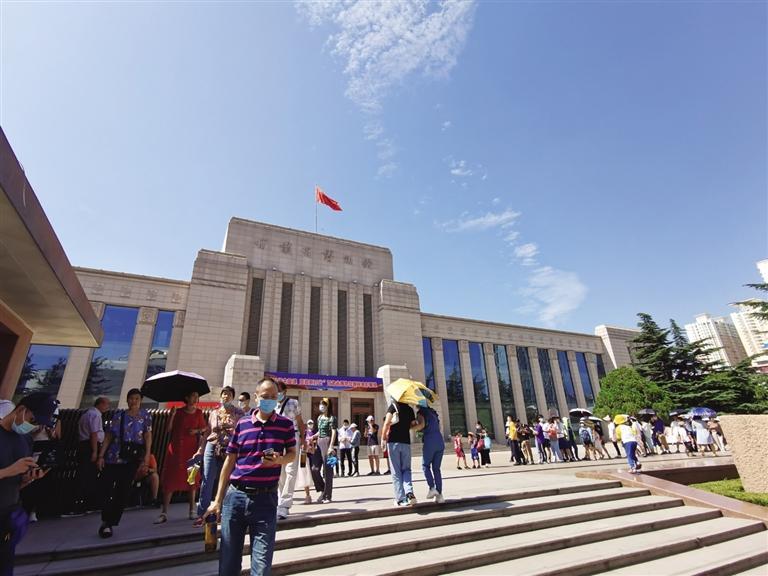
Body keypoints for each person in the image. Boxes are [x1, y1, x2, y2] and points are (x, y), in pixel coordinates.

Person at [203, 377, 296, 576]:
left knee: (261, 567)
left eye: (273, 396)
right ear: (256, 397)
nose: (269, 400)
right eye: (265, 396)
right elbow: (229, 461)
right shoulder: (242, 423)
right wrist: (217, 500)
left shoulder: (285, 425)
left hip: (266, 500)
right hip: (235, 498)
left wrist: (279, 460)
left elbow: (292, 454)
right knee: (228, 564)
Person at [0, 393, 57, 576]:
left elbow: (14, 484)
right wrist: (9, 470)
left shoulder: (25, 441)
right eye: (33, 420)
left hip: (7, 517)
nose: (34, 426)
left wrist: (27, 479)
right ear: (21, 410)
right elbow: (10, 472)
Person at [97, 388, 152, 538]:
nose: (134, 401)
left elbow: (147, 435)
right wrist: (101, 455)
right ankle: (106, 519)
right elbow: (109, 436)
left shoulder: (145, 416)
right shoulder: (119, 415)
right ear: (127, 400)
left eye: (137, 399)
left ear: (140, 401)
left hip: (131, 459)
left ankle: (110, 522)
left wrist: (147, 456)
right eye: (131, 398)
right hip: (114, 456)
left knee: (123, 491)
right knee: (106, 488)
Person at [196, 387, 243, 526]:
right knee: (207, 479)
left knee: (226, 480)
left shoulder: (238, 413)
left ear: (233, 397)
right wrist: (201, 448)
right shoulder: (214, 412)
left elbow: (242, 431)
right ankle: (202, 513)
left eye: (228, 394)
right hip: (212, 446)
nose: (225, 396)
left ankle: (221, 512)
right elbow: (207, 432)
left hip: (229, 448)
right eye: (224, 394)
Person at [156, 391, 206, 524]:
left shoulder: (199, 413)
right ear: (186, 397)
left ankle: (192, 510)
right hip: (176, 449)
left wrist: (196, 431)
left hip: (191, 450)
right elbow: (168, 429)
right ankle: (164, 512)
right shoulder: (177, 412)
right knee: (171, 479)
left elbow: (204, 428)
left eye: (197, 397)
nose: (195, 399)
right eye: (193, 396)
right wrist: (171, 416)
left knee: (192, 478)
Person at [21, 412, 62, 521]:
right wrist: (38, 430)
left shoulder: (56, 418)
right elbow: (26, 435)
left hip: (47, 450)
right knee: (29, 480)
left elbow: (58, 436)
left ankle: (35, 510)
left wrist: (51, 433)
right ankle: (25, 509)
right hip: (34, 448)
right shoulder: (34, 417)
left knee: (42, 481)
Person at [73, 396, 109, 514]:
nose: (107, 407)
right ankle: (85, 502)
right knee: (89, 475)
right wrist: (95, 451)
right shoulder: (96, 415)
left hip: (83, 444)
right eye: (106, 404)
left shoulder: (86, 414)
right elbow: (94, 433)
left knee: (83, 473)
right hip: (90, 445)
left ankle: (80, 501)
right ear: (100, 404)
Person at [276, 380, 305, 520]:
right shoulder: (272, 404)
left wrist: (303, 439)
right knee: (280, 471)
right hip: (277, 439)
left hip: (292, 436)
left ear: (284, 391)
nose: (277, 393)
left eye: (279, 390)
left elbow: (300, 421)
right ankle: (281, 500)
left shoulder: (293, 403)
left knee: (291, 471)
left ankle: (285, 505)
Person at [381, 398, 418, 507]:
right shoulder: (410, 410)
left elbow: (386, 423)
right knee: (406, 469)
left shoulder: (393, 407)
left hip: (393, 442)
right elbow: (413, 425)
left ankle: (401, 499)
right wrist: (405, 425)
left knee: (396, 471)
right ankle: (409, 493)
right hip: (406, 442)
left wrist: (383, 438)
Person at [414, 405, 445, 503]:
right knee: (436, 469)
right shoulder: (433, 412)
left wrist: (412, 428)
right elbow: (439, 426)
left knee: (425, 465)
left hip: (430, 440)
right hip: (439, 440)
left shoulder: (421, 412)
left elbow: (421, 425)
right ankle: (439, 495)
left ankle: (432, 488)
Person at [310, 398, 336, 503]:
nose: (321, 406)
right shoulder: (319, 417)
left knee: (327, 471)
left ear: (328, 406)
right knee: (314, 469)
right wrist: (312, 437)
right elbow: (320, 431)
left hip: (327, 442)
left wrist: (331, 446)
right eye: (321, 404)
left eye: (324, 404)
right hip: (319, 442)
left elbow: (333, 432)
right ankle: (322, 489)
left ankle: (327, 495)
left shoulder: (332, 418)